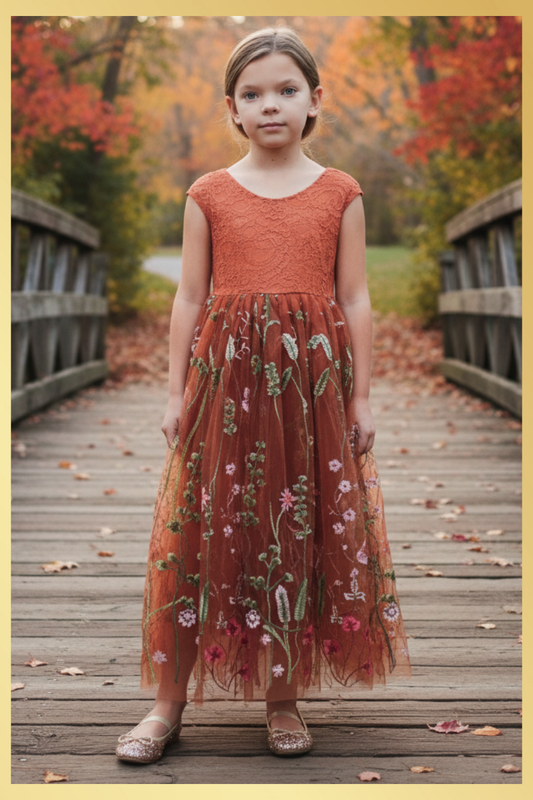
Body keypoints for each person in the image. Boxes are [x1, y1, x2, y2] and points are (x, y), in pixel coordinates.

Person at [116, 25, 411, 764]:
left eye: (285, 90)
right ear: (231, 108)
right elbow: (188, 297)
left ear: (315, 101)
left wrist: (362, 397)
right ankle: (166, 703)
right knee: (204, 529)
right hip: (225, 383)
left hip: (307, 389)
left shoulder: (339, 192)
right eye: (253, 94)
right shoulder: (208, 193)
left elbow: (356, 298)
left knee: (291, 530)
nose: (270, 105)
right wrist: (175, 389)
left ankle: (282, 697)